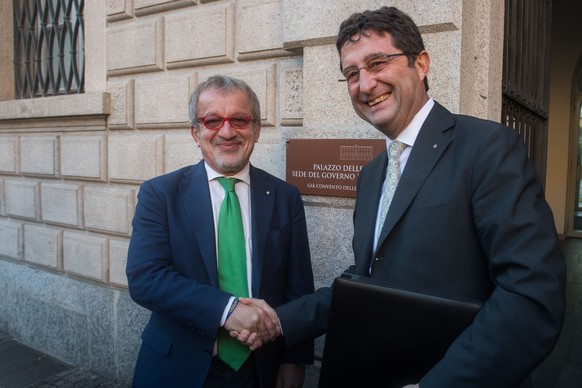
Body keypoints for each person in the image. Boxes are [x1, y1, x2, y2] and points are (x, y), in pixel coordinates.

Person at [236, 6, 566, 387]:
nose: (364, 84)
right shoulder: (372, 174)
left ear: (421, 63)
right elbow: (367, 279)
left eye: (377, 63)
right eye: (351, 73)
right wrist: (280, 320)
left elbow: (531, 296)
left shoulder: (488, 148)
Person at [126, 75, 315, 388]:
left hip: (259, 369)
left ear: (256, 129)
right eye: (212, 120)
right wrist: (227, 310)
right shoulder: (160, 194)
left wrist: (294, 358)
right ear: (195, 132)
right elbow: (146, 278)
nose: (227, 132)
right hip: (178, 367)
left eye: (239, 119)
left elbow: (298, 287)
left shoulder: (285, 197)